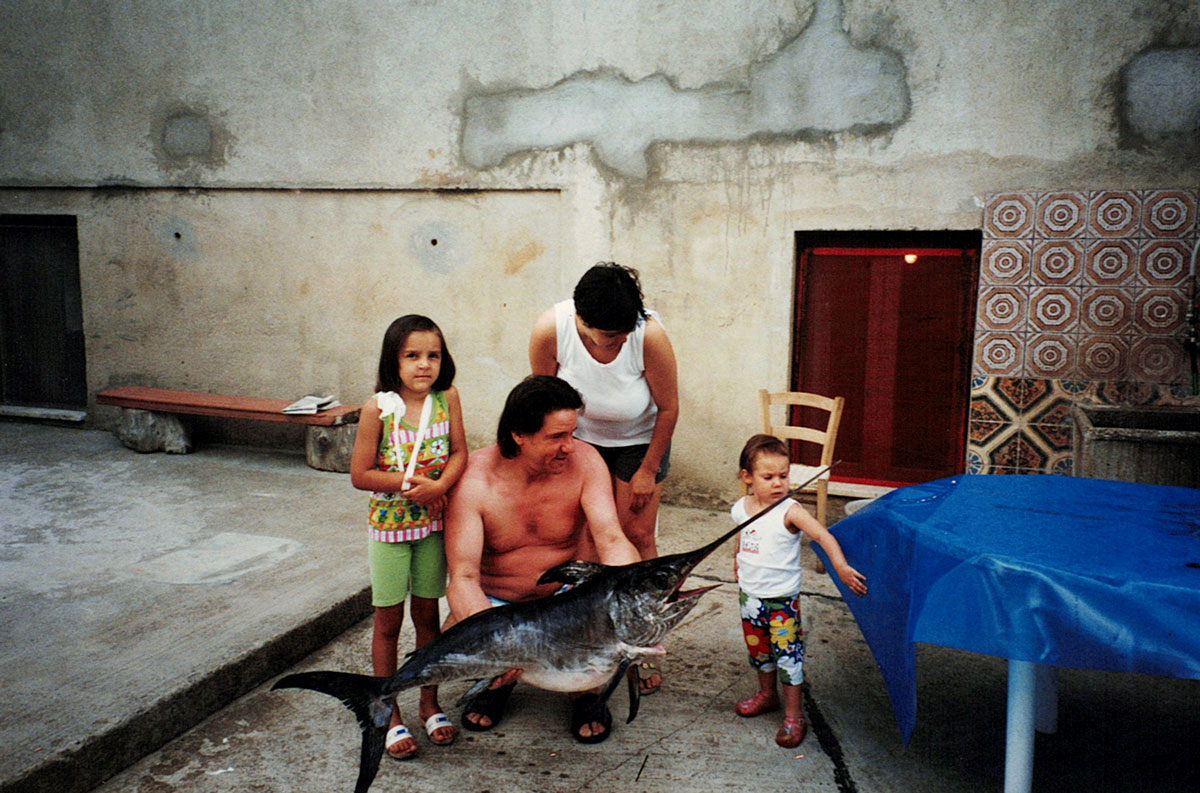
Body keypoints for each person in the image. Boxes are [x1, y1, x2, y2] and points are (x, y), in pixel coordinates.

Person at [444, 374, 642, 743]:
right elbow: (464, 577)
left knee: (606, 601)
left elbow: (611, 538)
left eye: (572, 433)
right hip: (500, 605)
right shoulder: (474, 478)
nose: (570, 446)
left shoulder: (585, 461)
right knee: (454, 629)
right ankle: (498, 681)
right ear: (519, 434)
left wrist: (635, 600)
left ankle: (585, 692)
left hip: (566, 600)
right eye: (556, 437)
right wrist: (497, 646)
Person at [528, 262, 678, 693]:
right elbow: (544, 398)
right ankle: (599, 638)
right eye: (612, 335)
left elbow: (668, 409)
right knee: (588, 539)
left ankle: (645, 644)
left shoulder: (648, 335)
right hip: (581, 441)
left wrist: (648, 470)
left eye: (626, 330)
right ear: (582, 321)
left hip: (639, 443)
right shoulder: (550, 330)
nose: (622, 340)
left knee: (637, 537)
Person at [349, 315, 468, 760]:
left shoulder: (447, 398)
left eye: (433, 355)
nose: (424, 365)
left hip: (433, 528)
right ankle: (388, 709)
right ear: (393, 360)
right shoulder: (376, 409)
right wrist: (408, 483)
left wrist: (439, 487)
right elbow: (361, 474)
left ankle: (429, 701)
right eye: (412, 356)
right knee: (387, 622)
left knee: (428, 618)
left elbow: (459, 452)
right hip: (390, 530)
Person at [731, 434, 867, 748]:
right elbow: (742, 536)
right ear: (747, 477)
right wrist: (737, 560)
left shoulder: (790, 511)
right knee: (759, 651)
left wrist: (841, 567)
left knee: (788, 657)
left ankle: (794, 715)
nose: (778, 483)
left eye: (784, 475)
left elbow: (823, 536)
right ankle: (767, 695)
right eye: (768, 477)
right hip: (750, 596)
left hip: (781, 600)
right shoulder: (741, 508)